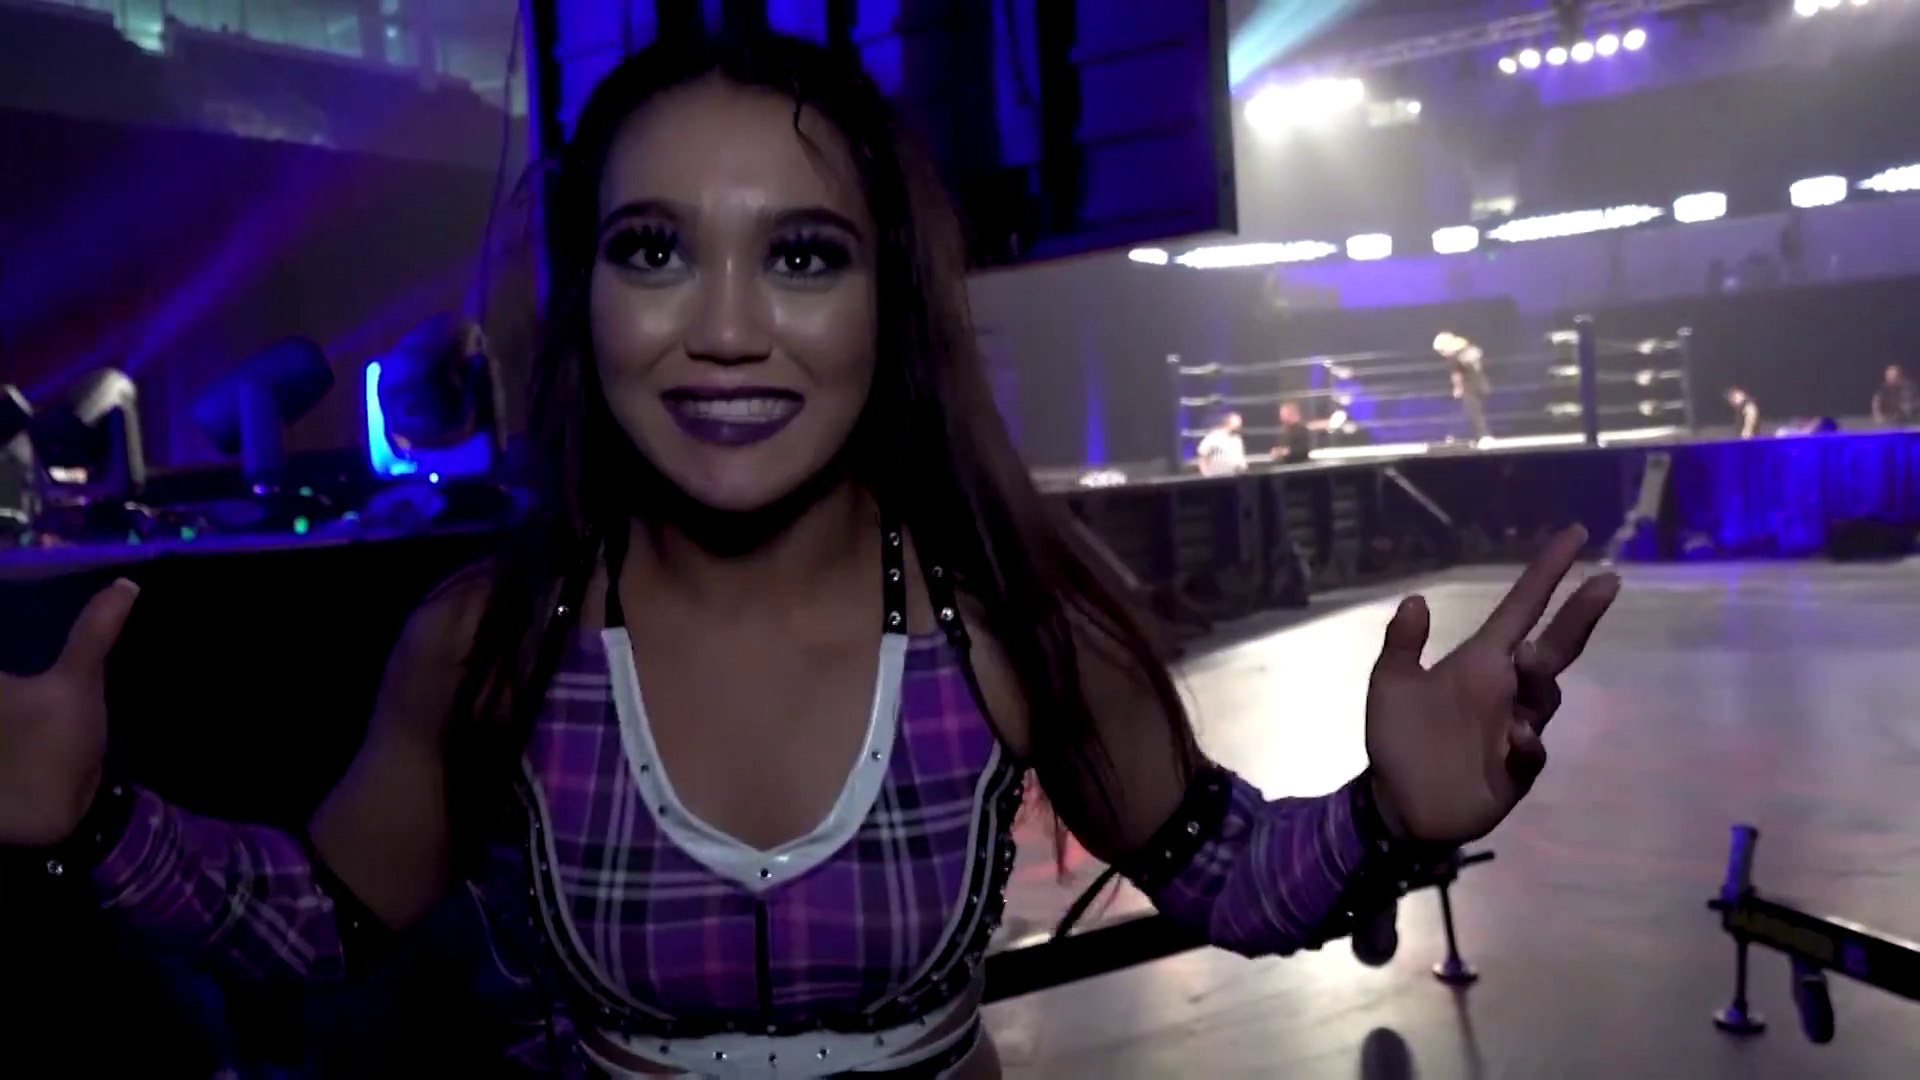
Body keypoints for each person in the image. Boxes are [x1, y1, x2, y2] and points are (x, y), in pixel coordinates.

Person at [0, 32, 1620, 1079]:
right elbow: (322, 923)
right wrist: (91, 825)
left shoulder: (1007, 630)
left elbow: (1234, 881)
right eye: (654, 249)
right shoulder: (489, 646)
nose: (724, 328)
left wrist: (1387, 819)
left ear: (888, 303)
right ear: (586, 300)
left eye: (802, 255)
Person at [1432, 332, 1492, 444]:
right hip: (1479, 383)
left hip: (1470, 386)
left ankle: (1484, 436)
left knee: (1473, 412)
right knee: (1470, 411)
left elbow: (1457, 374)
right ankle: (1460, 436)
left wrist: (1458, 388)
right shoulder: (1470, 350)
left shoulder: (1454, 356)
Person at [1271, 401, 1326, 465]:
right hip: (1286, 466)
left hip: (1298, 466)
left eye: (1283, 414)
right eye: (1281, 414)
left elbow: (1303, 450)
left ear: (1291, 414)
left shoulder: (1301, 430)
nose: (1281, 416)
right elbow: (1283, 448)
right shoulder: (1285, 431)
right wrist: (1277, 451)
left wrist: (1287, 451)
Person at [1195, 410, 1247, 476]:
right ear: (1228, 422)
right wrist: (1206, 475)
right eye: (1237, 422)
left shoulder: (1237, 439)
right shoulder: (1214, 436)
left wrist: (1243, 467)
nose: (1239, 425)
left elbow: (1240, 457)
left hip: (1234, 475)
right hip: (1217, 476)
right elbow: (1202, 455)